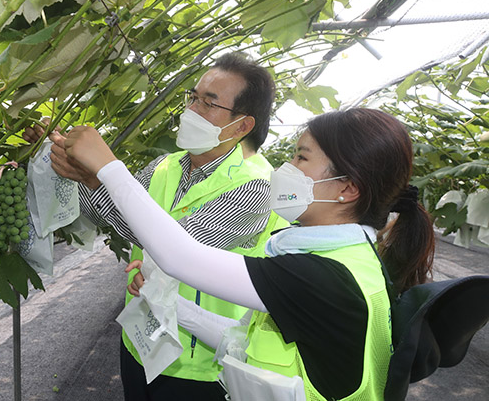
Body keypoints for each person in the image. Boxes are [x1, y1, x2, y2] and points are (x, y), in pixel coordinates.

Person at [58, 108, 436, 400]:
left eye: (302, 159)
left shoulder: (324, 275)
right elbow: (243, 344)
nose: (287, 169)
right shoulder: (349, 261)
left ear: (347, 189)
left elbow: (180, 256)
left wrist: (109, 168)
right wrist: (167, 301)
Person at [23, 53, 285, 400]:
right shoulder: (166, 165)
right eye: (192, 97)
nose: (191, 110)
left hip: (200, 366)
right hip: (141, 340)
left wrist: (105, 171)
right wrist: (65, 162)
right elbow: (111, 212)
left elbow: (171, 247)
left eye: (208, 104)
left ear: (241, 127)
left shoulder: (257, 186)